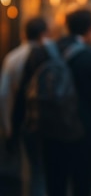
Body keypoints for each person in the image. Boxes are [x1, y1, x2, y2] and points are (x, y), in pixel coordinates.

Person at [12, 8, 91, 196]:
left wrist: (16, 128)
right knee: (82, 187)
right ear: (90, 29)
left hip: (50, 130)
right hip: (85, 131)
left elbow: (24, 93)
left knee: (55, 185)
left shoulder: (40, 53)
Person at [1, 17, 49, 196]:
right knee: (39, 170)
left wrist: (7, 126)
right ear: (44, 34)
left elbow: (5, 95)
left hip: (20, 118)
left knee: (27, 168)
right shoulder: (49, 54)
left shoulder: (13, 58)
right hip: (45, 120)